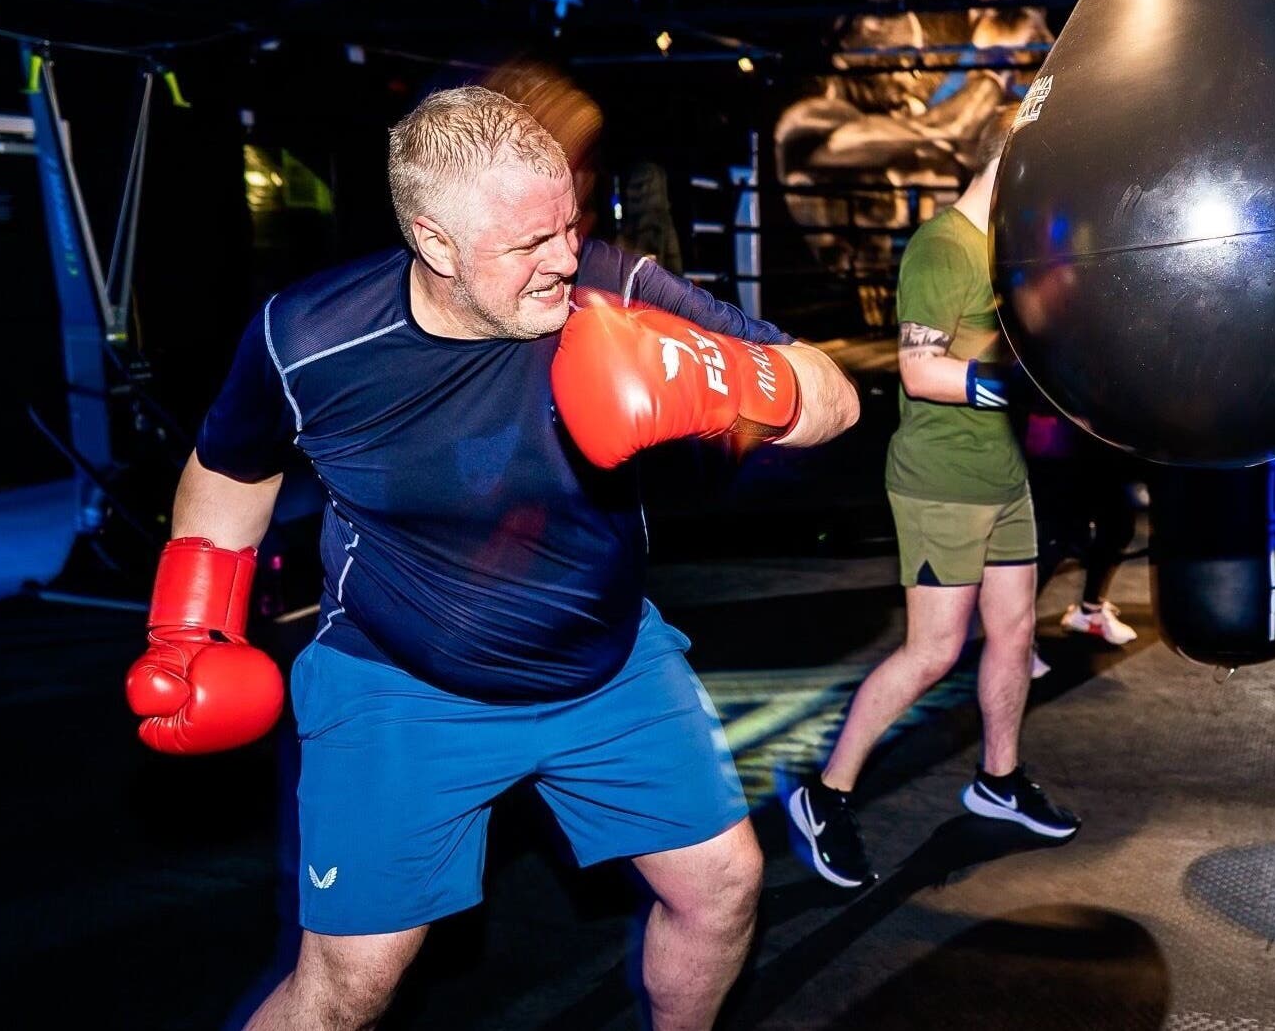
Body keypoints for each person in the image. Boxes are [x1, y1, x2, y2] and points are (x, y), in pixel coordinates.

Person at [122, 86, 860, 1031]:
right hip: (402, 678)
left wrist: (726, 377)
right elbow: (229, 474)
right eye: (527, 245)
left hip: (606, 661)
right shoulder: (308, 340)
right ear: (433, 243)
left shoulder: (613, 286)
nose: (563, 260)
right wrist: (191, 625)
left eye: (568, 225)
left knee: (722, 887)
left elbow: (834, 397)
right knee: (348, 985)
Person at [785, 108, 1079, 891]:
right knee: (934, 653)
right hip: (940, 481)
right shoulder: (942, 249)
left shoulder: (1010, 254)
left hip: (1001, 475)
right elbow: (921, 372)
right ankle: (827, 792)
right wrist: (1017, 384)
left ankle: (999, 779)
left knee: (1014, 634)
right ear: (1004, 163)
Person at [1022, 403, 1142, 645]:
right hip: (1063, 436)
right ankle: (1016, 634)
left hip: (1101, 436)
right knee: (1057, 538)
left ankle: (1089, 612)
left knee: (1118, 526)